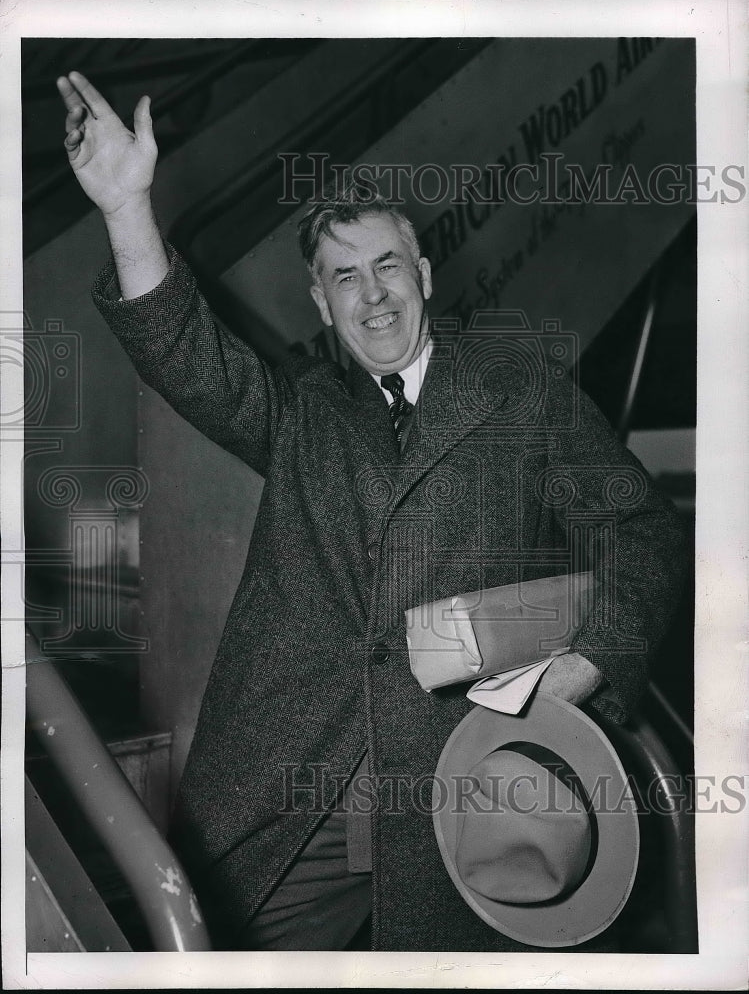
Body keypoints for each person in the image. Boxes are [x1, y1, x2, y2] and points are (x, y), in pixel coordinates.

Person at [58, 71, 685, 952]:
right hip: (290, 785)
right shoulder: (306, 412)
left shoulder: (521, 394)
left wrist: (589, 663)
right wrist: (126, 207)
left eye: (388, 265)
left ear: (424, 274)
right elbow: (186, 355)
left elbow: (644, 534)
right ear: (321, 304)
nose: (373, 294)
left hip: (457, 783)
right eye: (344, 277)